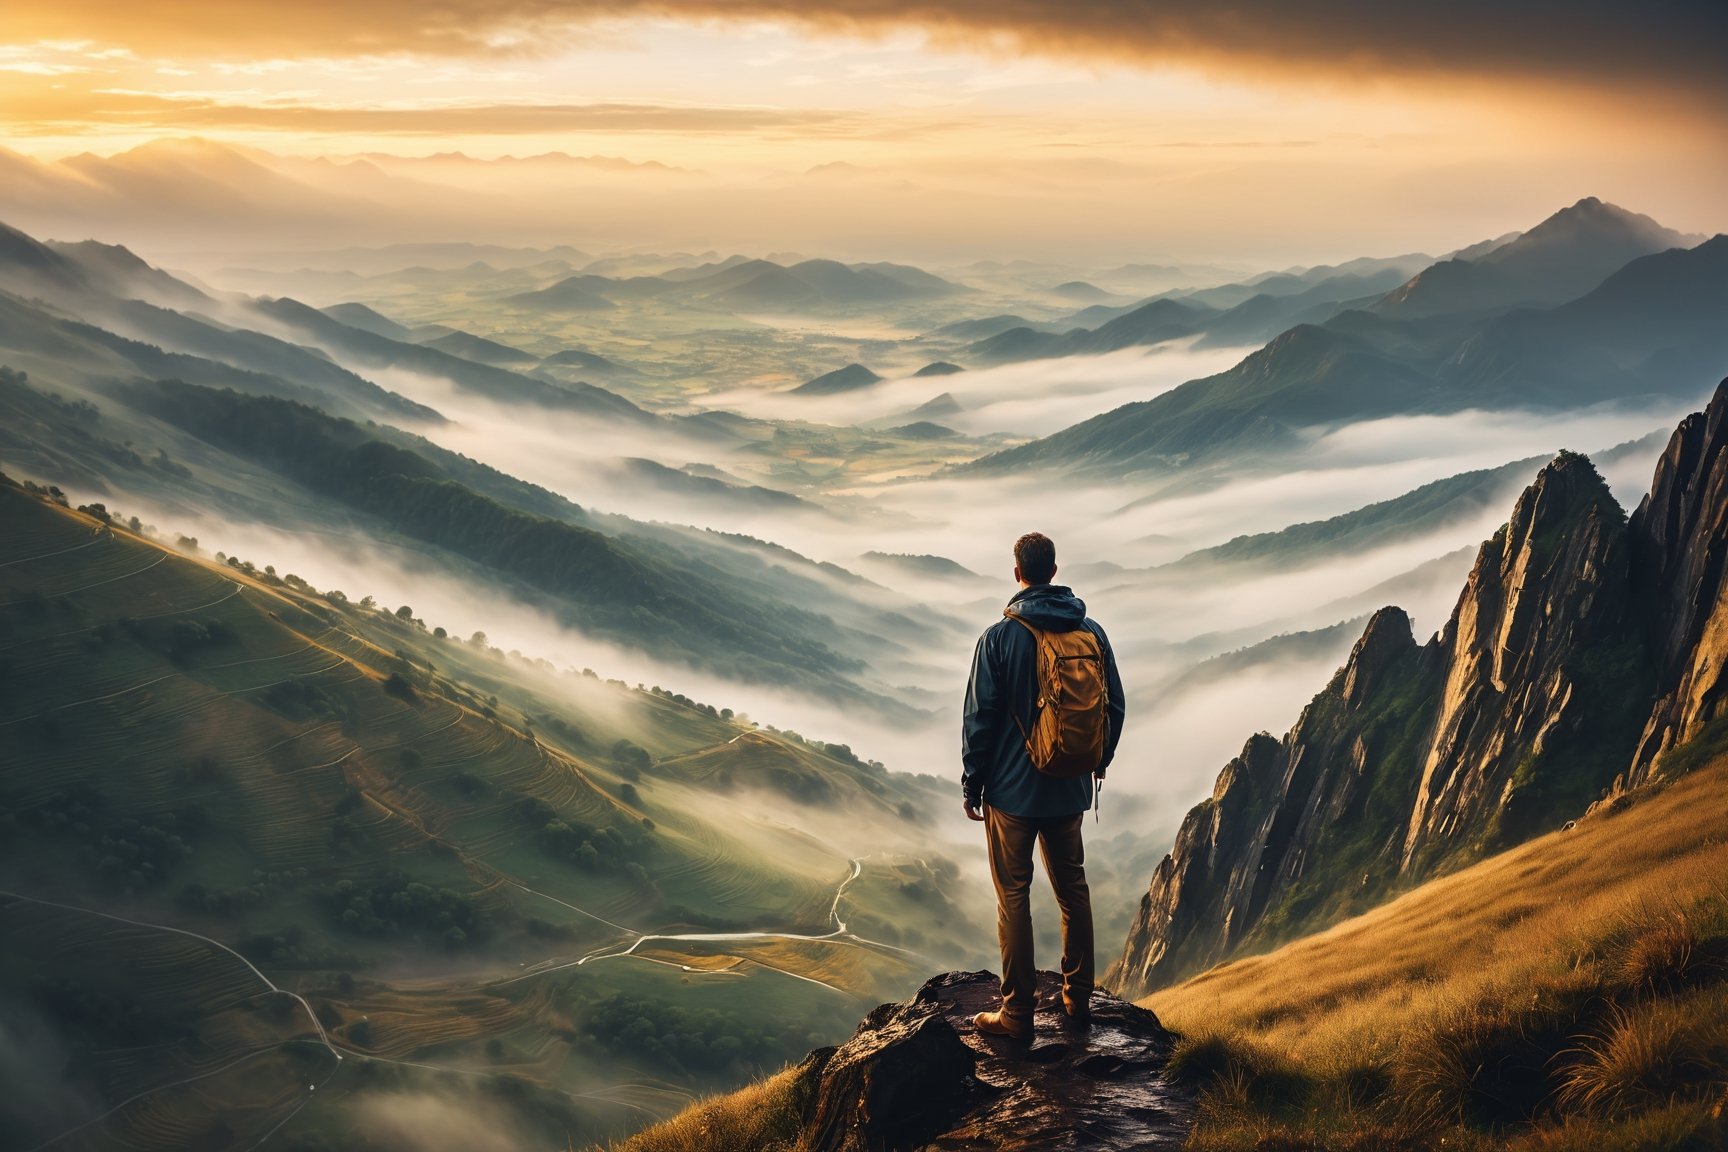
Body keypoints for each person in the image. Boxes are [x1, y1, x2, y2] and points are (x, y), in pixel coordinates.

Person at [962, 531, 1125, 1039]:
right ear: (1054, 571)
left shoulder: (997, 638)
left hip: (1011, 795)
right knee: (1073, 892)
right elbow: (1113, 706)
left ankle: (1016, 1015)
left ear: (1018, 574)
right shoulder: (1091, 631)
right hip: (1069, 789)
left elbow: (980, 721)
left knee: (1013, 895)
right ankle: (1077, 1001)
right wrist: (1097, 761)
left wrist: (972, 786)